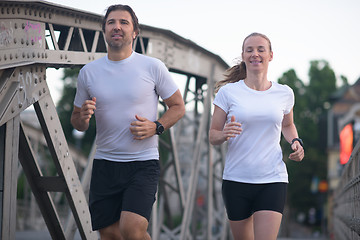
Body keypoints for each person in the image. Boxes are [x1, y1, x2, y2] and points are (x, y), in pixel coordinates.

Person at [71, 4, 185, 240]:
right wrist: (82, 117)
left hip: (142, 163)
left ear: (134, 32)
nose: (117, 27)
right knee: (110, 234)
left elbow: (178, 106)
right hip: (105, 164)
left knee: (131, 229)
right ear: (104, 30)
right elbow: (77, 123)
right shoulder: (89, 72)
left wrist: (156, 126)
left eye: (124, 22)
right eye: (111, 22)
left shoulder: (152, 67)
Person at [209, 32, 304, 240]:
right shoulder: (228, 93)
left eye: (261, 49)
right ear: (243, 55)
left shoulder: (284, 93)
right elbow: (213, 136)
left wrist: (295, 142)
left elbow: (288, 125)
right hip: (236, 180)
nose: (255, 54)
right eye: (249, 50)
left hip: (272, 179)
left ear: (271, 55)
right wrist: (224, 133)